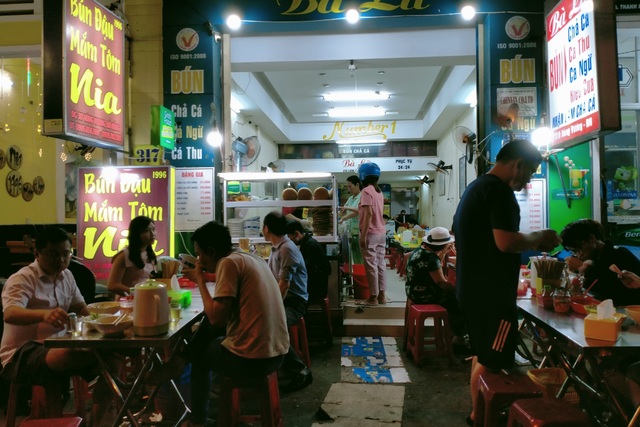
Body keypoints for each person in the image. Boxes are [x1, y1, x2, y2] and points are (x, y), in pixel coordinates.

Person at [452, 139, 561, 426]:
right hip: (490, 295)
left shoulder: (476, 188)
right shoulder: (498, 192)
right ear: (518, 165)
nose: (527, 182)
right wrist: (540, 236)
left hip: (473, 290)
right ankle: (480, 418)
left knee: (483, 354)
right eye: (530, 173)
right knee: (492, 360)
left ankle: (478, 414)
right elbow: (506, 242)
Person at [0, 227, 113, 426]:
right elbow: (10, 313)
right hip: (23, 353)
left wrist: (100, 324)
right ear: (37, 253)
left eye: (65, 254)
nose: (60, 259)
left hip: (59, 345)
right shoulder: (23, 278)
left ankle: (97, 420)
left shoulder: (67, 276)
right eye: (53, 254)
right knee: (74, 354)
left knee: (113, 358)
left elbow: (79, 306)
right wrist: (44, 314)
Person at [180, 221, 289, 426]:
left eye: (199, 254)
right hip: (278, 353)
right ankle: (181, 361)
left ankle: (198, 420)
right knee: (209, 336)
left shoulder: (228, 263)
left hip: (254, 359)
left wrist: (200, 281)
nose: (198, 260)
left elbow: (215, 318)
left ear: (211, 252)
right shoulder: (249, 257)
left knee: (201, 355)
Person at [263, 211, 313, 391]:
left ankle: (300, 370)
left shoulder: (287, 248)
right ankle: (274, 365)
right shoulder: (278, 246)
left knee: (273, 325)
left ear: (266, 228)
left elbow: (284, 285)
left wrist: (272, 307)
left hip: (295, 302)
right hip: (285, 299)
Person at [405, 227, 467, 346]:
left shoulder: (421, 250)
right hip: (424, 295)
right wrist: (459, 289)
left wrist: (443, 252)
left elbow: (434, 266)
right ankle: (459, 337)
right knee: (459, 301)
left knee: (456, 297)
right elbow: (441, 283)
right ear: (442, 245)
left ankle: (455, 334)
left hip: (413, 291)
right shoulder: (431, 258)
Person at [560, 218, 640, 305]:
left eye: (579, 249)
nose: (579, 255)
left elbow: (612, 290)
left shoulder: (619, 255)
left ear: (591, 239)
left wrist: (584, 269)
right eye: (574, 252)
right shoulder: (596, 259)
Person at [357, 162, 387, 306]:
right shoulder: (379, 192)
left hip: (371, 233)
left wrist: (363, 236)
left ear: (362, 176)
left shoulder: (366, 191)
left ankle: (373, 297)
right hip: (381, 232)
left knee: (371, 265)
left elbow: (368, 214)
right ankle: (382, 296)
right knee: (381, 264)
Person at [107, 216, 157, 296]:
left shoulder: (149, 253)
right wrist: (137, 292)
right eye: (147, 231)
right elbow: (112, 285)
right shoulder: (124, 255)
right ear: (136, 233)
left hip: (146, 297)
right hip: (127, 301)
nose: (152, 234)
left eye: (153, 229)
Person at [286, 220, 331, 304]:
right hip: (318, 285)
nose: (288, 240)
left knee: (289, 296)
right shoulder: (307, 243)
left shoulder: (310, 246)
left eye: (289, 236)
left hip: (317, 290)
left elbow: (308, 270)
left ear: (296, 234)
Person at [338, 175, 363, 264]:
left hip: (359, 232)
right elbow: (344, 211)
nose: (349, 189)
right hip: (351, 232)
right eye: (347, 187)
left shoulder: (362, 196)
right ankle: (357, 276)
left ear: (357, 185)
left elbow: (359, 211)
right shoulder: (351, 198)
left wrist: (345, 216)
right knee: (354, 258)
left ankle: (363, 276)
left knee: (360, 258)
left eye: (350, 186)